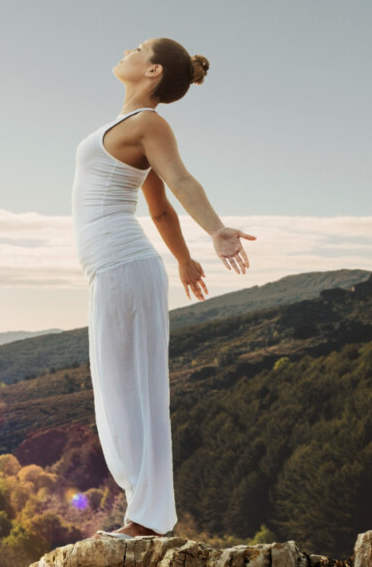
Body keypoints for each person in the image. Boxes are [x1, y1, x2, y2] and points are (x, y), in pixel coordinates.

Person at [72, 38, 255, 541]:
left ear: (151, 71)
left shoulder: (150, 123)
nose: (124, 50)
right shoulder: (125, 127)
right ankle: (144, 514)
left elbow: (181, 181)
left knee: (134, 388)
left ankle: (148, 520)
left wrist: (215, 230)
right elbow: (157, 208)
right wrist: (182, 258)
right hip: (111, 268)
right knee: (115, 387)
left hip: (122, 263)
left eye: (136, 47)